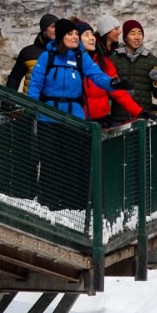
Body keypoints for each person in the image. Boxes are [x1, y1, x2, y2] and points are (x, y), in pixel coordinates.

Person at [26, 18, 120, 210]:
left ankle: (72, 206)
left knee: (72, 160)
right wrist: (32, 108)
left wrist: (113, 83)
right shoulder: (47, 57)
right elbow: (35, 84)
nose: (75, 37)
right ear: (61, 36)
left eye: (77, 34)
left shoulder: (80, 56)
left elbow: (96, 75)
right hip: (48, 114)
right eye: (71, 34)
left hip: (74, 116)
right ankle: (49, 204)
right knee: (50, 160)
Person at [84, 19, 143, 127]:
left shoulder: (104, 62)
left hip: (103, 118)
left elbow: (118, 92)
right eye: (115, 28)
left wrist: (139, 111)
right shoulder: (70, 63)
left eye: (92, 34)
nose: (92, 38)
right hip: (80, 119)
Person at [111, 19, 157, 113]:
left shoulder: (153, 61)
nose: (137, 37)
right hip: (119, 118)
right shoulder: (113, 60)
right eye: (132, 33)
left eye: (140, 33)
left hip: (142, 117)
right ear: (125, 37)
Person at [4, 13, 57, 93]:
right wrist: (9, 100)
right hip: (30, 103)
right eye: (53, 27)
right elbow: (14, 79)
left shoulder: (65, 53)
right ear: (44, 30)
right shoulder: (28, 53)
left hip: (54, 104)